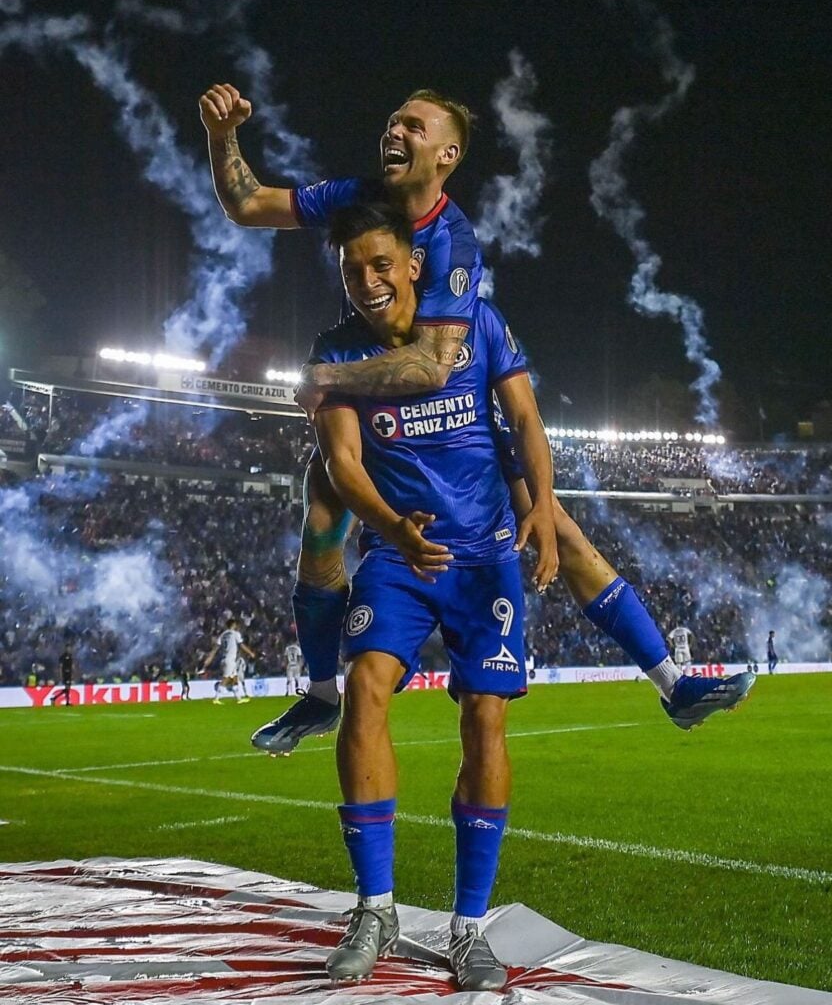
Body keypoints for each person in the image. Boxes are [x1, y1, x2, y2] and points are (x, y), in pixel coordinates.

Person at [199, 83, 755, 749]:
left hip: (447, 407)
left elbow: (432, 368)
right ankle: (320, 695)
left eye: (411, 125)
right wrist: (222, 133)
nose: (393, 133)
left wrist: (325, 376)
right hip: (378, 407)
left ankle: (673, 685)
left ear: (447, 154)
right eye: (390, 121)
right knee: (321, 513)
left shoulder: (452, 244)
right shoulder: (356, 196)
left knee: (561, 532)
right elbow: (248, 203)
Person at [314, 203, 555, 988]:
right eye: (353, 269)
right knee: (366, 686)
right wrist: (394, 526)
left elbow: (523, 417)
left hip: (484, 558)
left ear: (414, 264)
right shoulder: (335, 350)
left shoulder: (477, 324)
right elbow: (342, 462)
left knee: (485, 717)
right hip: (397, 552)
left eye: (381, 264)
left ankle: (467, 928)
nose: (368, 280)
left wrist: (541, 510)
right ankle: (375, 909)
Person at [202, 619, 255, 704]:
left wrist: (210, 657)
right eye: (236, 625)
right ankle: (216, 698)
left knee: (235, 678)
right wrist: (251, 653)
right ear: (233, 625)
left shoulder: (223, 635)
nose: (237, 626)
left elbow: (216, 647)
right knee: (226, 678)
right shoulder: (235, 634)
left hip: (224, 659)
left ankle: (239, 698)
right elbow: (241, 645)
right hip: (230, 659)